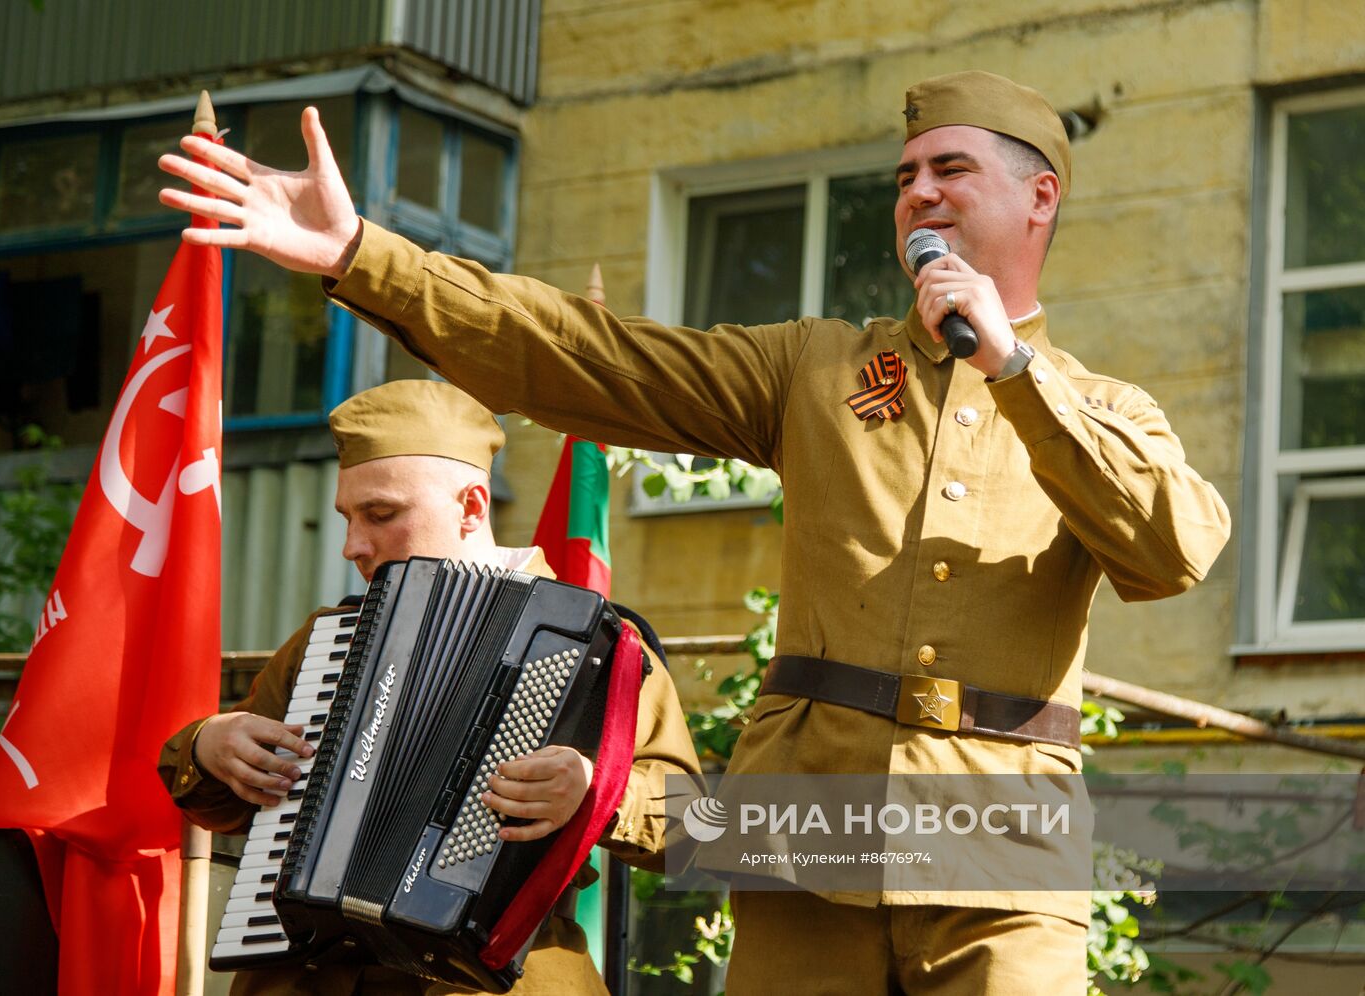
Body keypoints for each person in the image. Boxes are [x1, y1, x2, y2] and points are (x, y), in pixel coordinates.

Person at [159, 70, 1231, 994]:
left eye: (948, 168)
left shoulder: (1106, 412)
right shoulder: (813, 368)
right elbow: (587, 355)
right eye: (903, 176)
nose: (917, 192)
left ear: (1038, 197)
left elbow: (1171, 550)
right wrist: (359, 253)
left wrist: (1014, 372)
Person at [158, 379, 702, 996]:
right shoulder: (329, 639)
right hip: (305, 977)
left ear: (472, 506)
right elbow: (221, 804)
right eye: (348, 517)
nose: (353, 546)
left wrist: (599, 793)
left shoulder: (605, 646)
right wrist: (207, 746)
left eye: (382, 515)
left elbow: (696, 832)